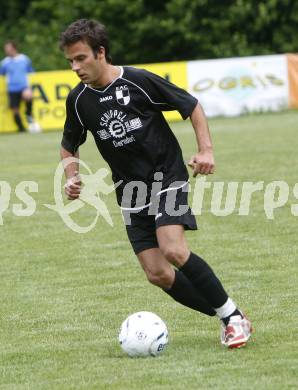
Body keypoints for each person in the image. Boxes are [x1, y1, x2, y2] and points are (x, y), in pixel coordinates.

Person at [59, 19, 252, 349]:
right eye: (71, 62)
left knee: (173, 249)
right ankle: (229, 314)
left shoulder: (138, 81)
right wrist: (71, 176)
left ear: (100, 53)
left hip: (166, 175)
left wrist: (206, 150)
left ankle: (233, 319)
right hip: (130, 191)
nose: (76, 67)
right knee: (157, 273)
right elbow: (69, 143)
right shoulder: (78, 100)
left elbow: (191, 105)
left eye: (81, 58)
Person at [0, 40, 40, 133]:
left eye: (8, 49)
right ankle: (21, 128)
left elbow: (31, 72)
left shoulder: (24, 59)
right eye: (6, 49)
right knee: (15, 110)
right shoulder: (4, 62)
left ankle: (28, 114)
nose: (6, 51)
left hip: (24, 86)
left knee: (28, 96)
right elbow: (1, 74)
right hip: (12, 88)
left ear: (14, 48)